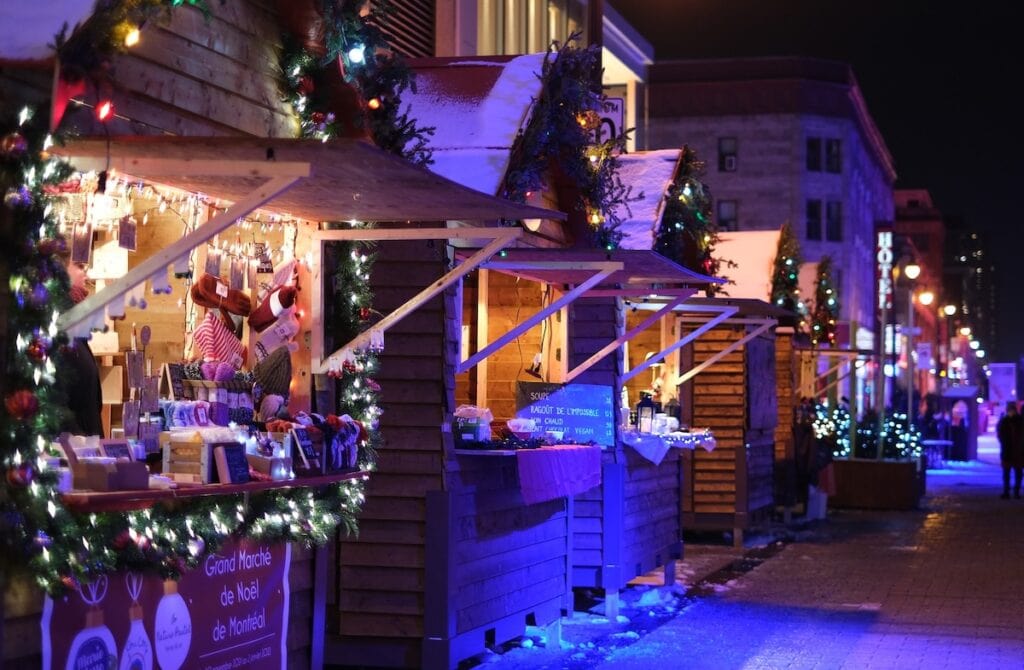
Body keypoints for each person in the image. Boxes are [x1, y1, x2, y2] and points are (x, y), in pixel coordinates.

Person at [57, 259, 105, 437]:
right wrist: (79, 441)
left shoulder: (73, 320)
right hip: (71, 449)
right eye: (78, 266)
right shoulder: (56, 321)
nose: (86, 274)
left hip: (84, 444)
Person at [995, 402, 1023, 499]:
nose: (1011, 412)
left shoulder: (1019, 421)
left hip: (1018, 451)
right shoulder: (1004, 421)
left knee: (1017, 472)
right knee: (1007, 473)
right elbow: (1000, 434)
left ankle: (1015, 491)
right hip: (1008, 450)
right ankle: (1007, 491)